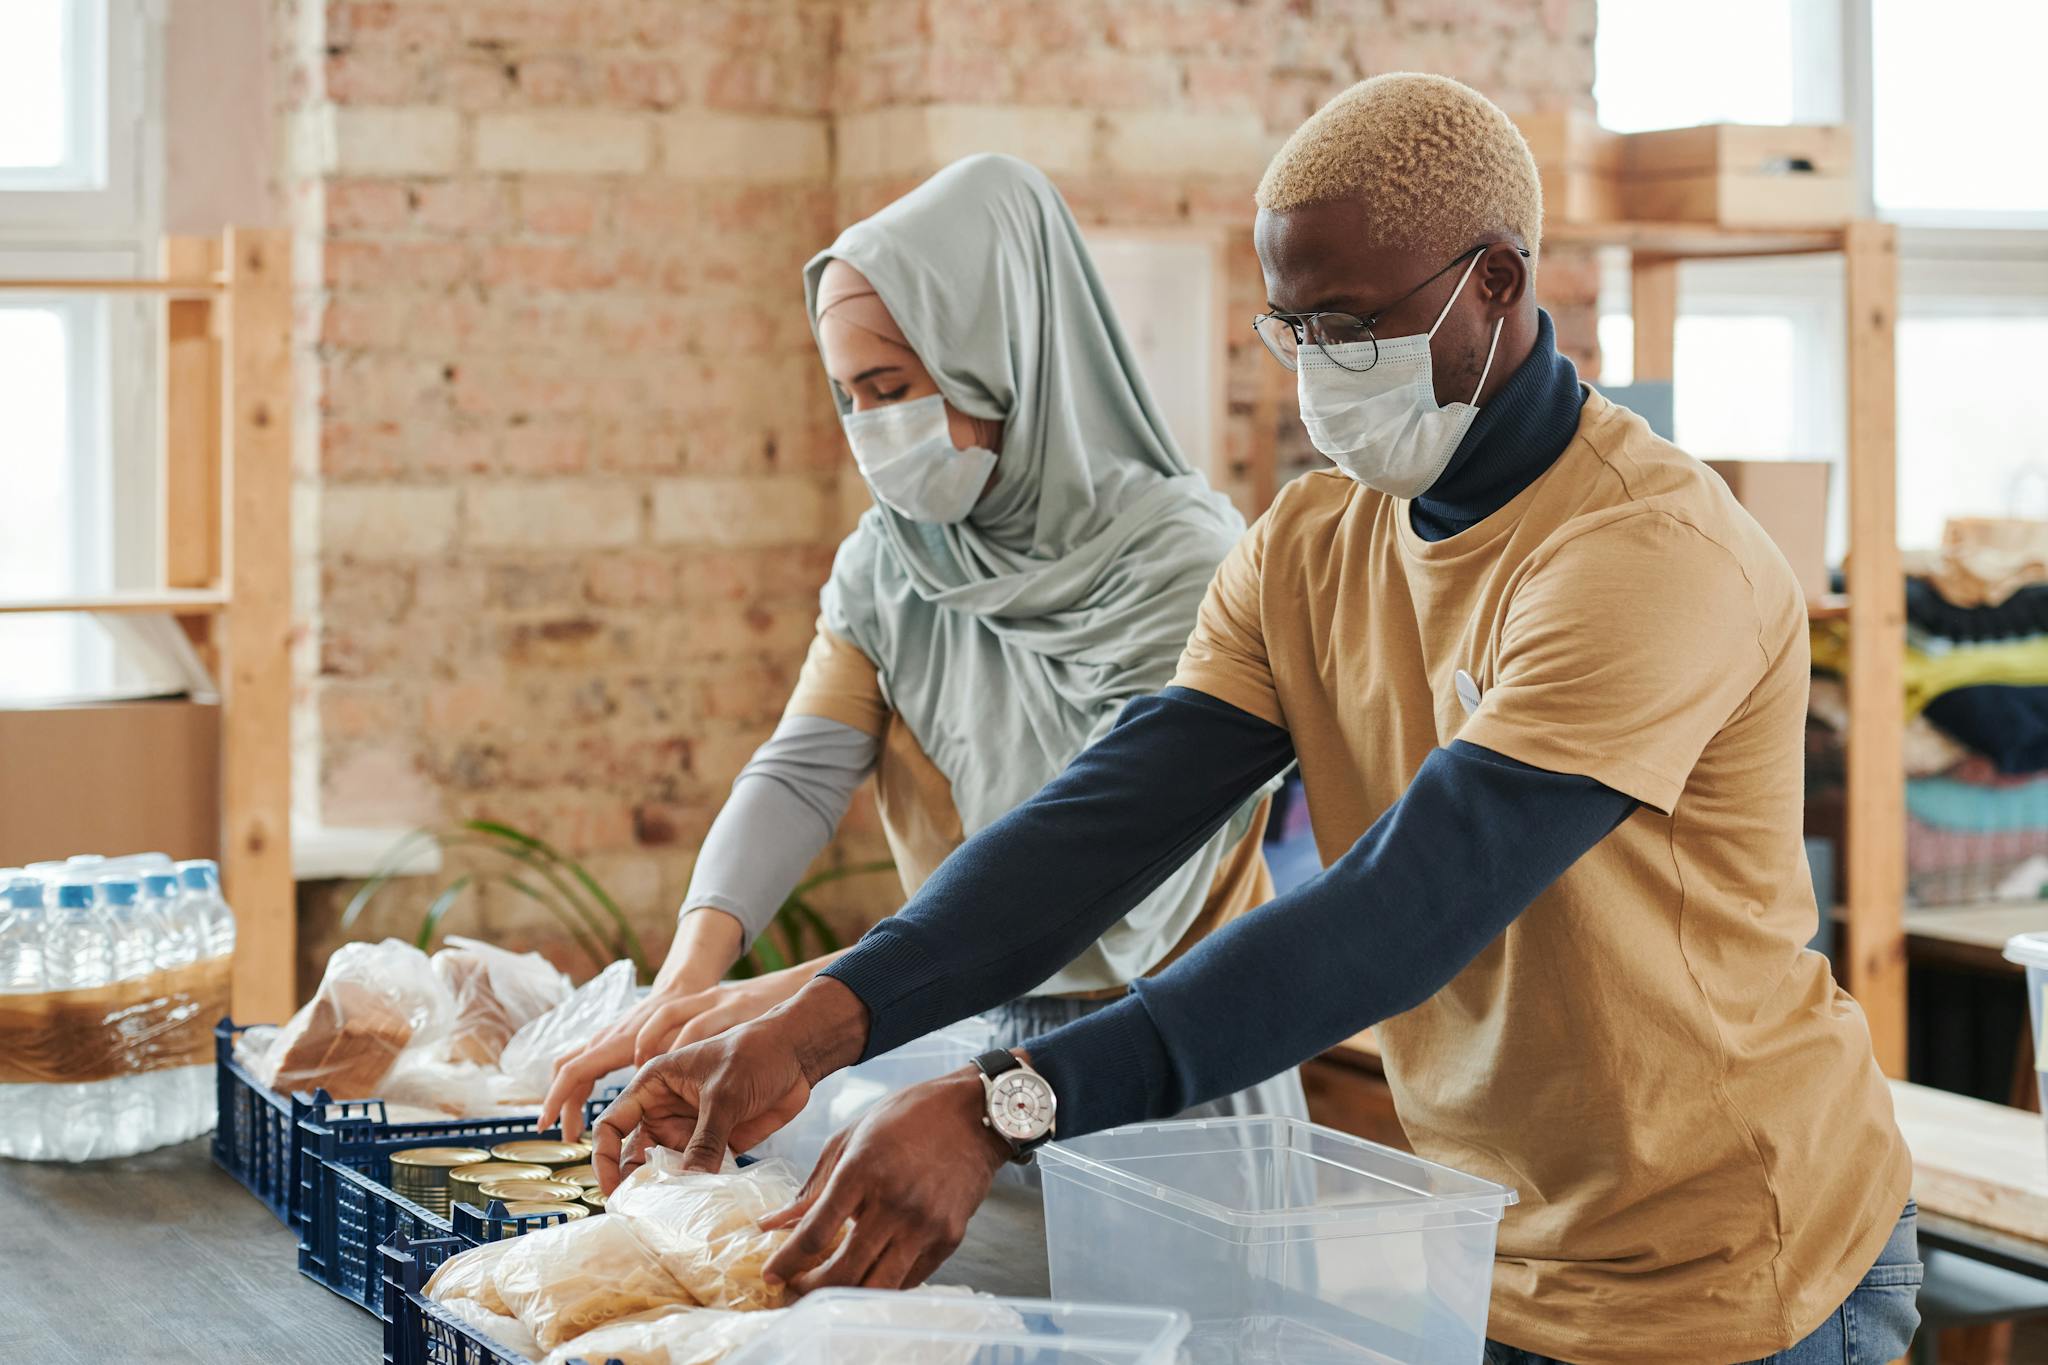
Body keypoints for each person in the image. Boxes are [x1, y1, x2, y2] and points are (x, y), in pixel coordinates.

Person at [594, 75, 1919, 1365]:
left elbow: (1409, 905)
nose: (1318, 371)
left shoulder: (1645, 554)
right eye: (1292, 328)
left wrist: (1006, 1107)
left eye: (1352, 324)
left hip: (1746, 1258)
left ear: (1499, 281)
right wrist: (817, 1022)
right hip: (1512, 1245)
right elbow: (1108, 823)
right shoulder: (1311, 542)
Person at [540, 153, 1303, 1143]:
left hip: (1162, 1068)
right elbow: (802, 771)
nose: (868, 428)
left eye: (890, 386)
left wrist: (791, 1011)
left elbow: (1080, 898)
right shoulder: (896, 559)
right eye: (846, 394)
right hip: (956, 1040)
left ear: (1004, 351)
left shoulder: (1185, 567)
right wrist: (687, 977)